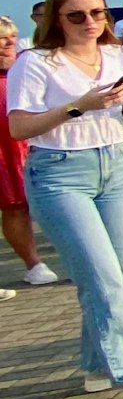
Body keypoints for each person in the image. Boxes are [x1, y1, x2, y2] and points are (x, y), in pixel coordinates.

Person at [5, 0, 123, 399]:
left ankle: (98, 365)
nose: (89, 22)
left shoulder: (119, 55)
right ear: (55, 18)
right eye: (76, 15)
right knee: (102, 276)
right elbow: (18, 127)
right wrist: (78, 105)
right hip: (59, 171)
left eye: (98, 13)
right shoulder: (37, 62)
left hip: (114, 164)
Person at [0, 17, 60, 289]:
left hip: (35, 143)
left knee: (50, 201)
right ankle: (33, 264)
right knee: (14, 206)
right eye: (1, 38)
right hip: (4, 150)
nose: (9, 42)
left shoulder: (26, 65)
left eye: (12, 36)